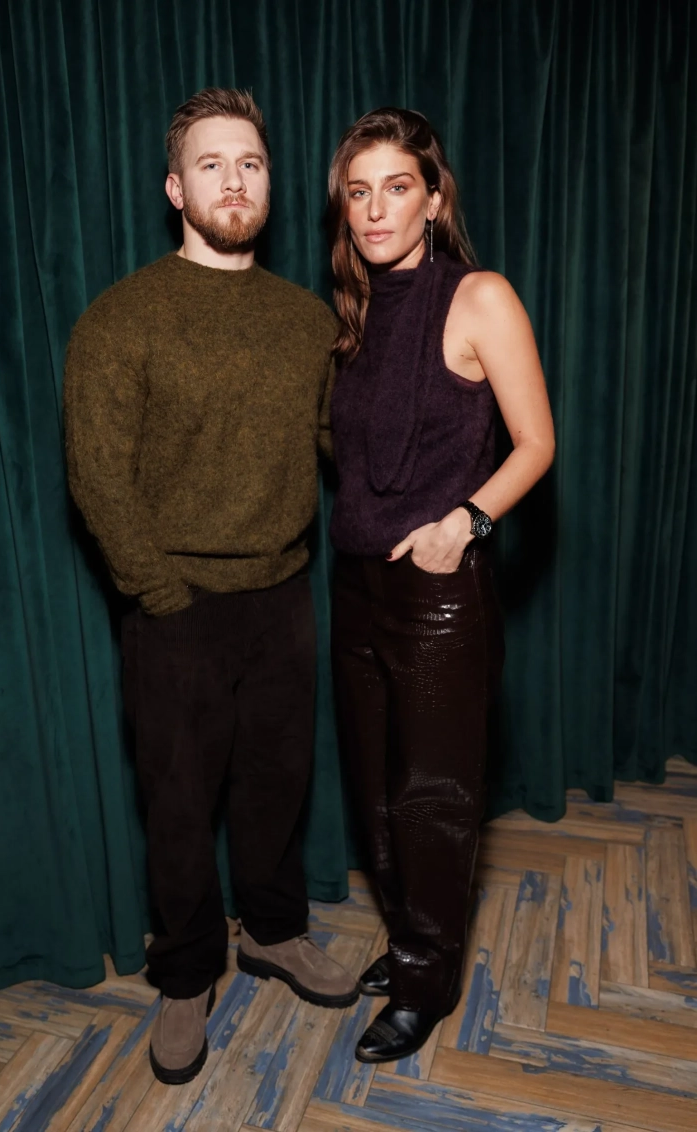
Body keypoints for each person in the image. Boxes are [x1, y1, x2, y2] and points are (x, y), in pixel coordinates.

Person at [63, 88, 358, 1087]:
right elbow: (97, 477)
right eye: (211, 164)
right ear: (174, 188)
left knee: (277, 785)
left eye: (251, 163)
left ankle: (273, 932)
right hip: (174, 611)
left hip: (284, 597)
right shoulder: (122, 318)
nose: (234, 181)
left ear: (270, 184)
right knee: (180, 804)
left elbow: (343, 446)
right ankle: (186, 971)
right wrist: (160, 594)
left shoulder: (305, 320)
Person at [327, 108, 555, 1063]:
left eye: (397, 187)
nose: (376, 209)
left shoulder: (480, 296)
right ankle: (411, 938)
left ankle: (428, 978)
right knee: (375, 792)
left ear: (433, 198)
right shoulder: (354, 312)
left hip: (439, 594)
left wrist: (465, 523)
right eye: (359, 191)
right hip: (355, 586)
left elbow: (536, 443)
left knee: (432, 797)